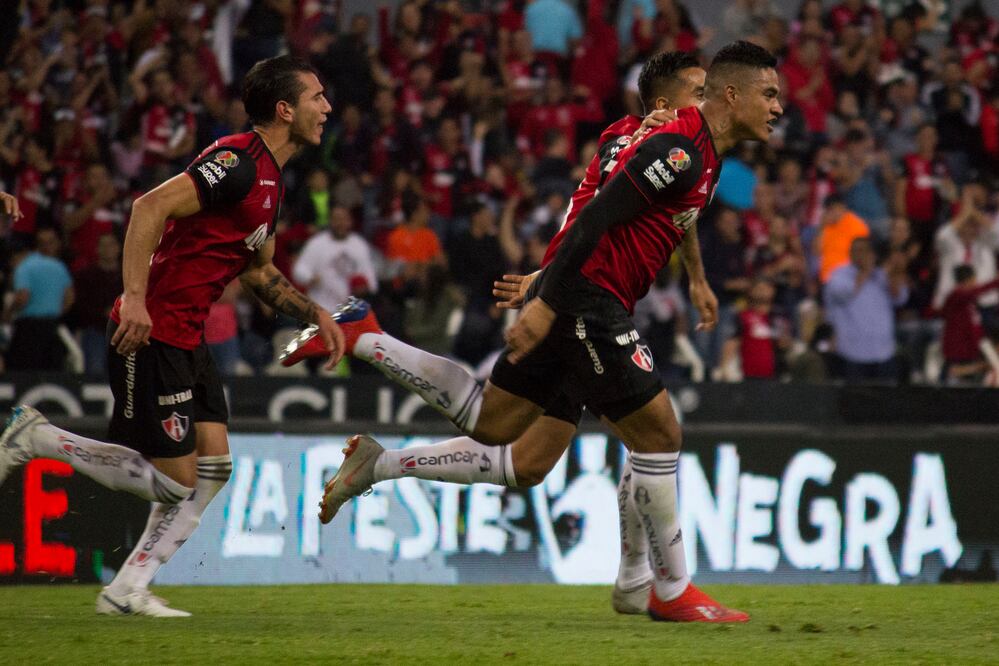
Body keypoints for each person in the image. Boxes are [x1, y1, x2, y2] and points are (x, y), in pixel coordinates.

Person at [294, 42, 782, 622]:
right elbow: (598, 213)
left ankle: (367, 344)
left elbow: (669, 208)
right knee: (657, 434)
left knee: (497, 429)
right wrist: (548, 298)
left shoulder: (694, 155)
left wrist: (694, 278)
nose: (778, 108)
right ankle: (666, 589)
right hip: (588, 298)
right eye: (767, 94)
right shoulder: (668, 145)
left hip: (578, 291)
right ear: (710, 98)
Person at [0, 56, 345, 616]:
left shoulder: (273, 181)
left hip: (187, 334)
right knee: (175, 482)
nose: (327, 107)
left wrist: (315, 314)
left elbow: (259, 272)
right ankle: (38, 439)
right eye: (317, 97)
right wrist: (135, 298)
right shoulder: (236, 161)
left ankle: (126, 589)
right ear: (285, 109)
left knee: (215, 469)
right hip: (152, 330)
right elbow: (149, 206)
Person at [824, 237, 909, 382]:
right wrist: (866, 271)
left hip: (883, 352)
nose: (862, 255)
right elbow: (843, 292)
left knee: (885, 396)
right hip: (852, 353)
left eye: (865, 251)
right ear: (850, 253)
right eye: (858, 251)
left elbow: (900, 298)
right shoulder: (839, 274)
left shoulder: (881, 275)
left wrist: (896, 270)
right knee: (855, 396)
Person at [3, 228, 74, 371]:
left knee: (24, 374)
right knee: (51, 373)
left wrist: (8, 313)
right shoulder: (59, 266)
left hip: (28, 329)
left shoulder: (24, 267)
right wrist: (53, 313)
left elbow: (22, 297)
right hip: (52, 327)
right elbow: (69, 298)